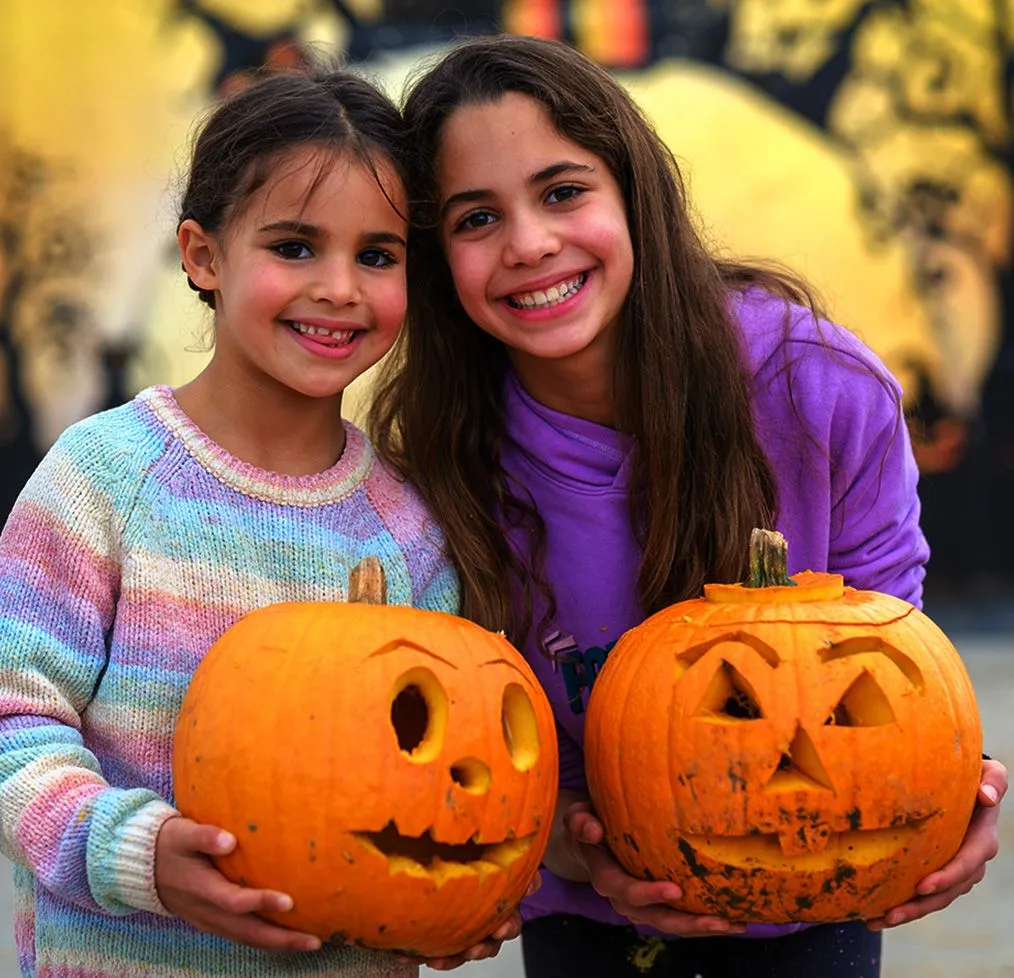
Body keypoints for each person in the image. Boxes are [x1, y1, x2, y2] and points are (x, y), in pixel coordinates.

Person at [369, 34, 1008, 978]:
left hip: (814, 912)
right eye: (475, 219)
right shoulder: (443, 464)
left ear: (635, 191)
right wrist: (576, 851)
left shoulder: (822, 391)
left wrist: (947, 790)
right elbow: (462, 751)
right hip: (585, 916)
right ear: (435, 258)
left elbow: (890, 664)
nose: (530, 243)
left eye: (563, 191)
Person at [0, 68, 514, 978]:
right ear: (202, 255)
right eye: (295, 246)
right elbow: (11, 724)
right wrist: (137, 852)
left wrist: (455, 896)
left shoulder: (409, 527)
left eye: (378, 255)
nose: (340, 288)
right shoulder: (104, 478)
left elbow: (443, 759)